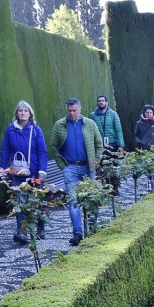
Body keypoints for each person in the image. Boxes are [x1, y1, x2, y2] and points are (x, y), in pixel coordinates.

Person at [51, 97, 104, 246]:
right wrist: (63, 166)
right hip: (70, 168)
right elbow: (54, 147)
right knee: (73, 201)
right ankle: (78, 232)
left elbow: (99, 145)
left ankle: (92, 228)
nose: (72, 113)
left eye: (74, 110)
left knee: (92, 199)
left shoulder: (90, 124)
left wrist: (95, 161)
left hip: (88, 167)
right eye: (69, 111)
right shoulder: (60, 125)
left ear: (80, 109)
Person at [0, 100, 48, 244]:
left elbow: (43, 151)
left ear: (30, 114)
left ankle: (40, 228)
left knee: (36, 200)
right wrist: (2, 168)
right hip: (17, 173)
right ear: (17, 114)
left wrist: (42, 171)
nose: (23, 113)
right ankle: (22, 232)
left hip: (34, 172)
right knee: (20, 201)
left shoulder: (36, 130)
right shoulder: (10, 130)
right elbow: (5, 149)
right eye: (20, 111)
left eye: (26, 111)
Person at [134, 104, 154, 190]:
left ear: (153, 113)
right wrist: (140, 142)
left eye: (150, 112)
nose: (149, 114)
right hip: (144, 150)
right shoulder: (139, 124)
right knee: (148, 169)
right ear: (144, 113)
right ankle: (151, 182)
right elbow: (136, 135)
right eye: (147, 112)